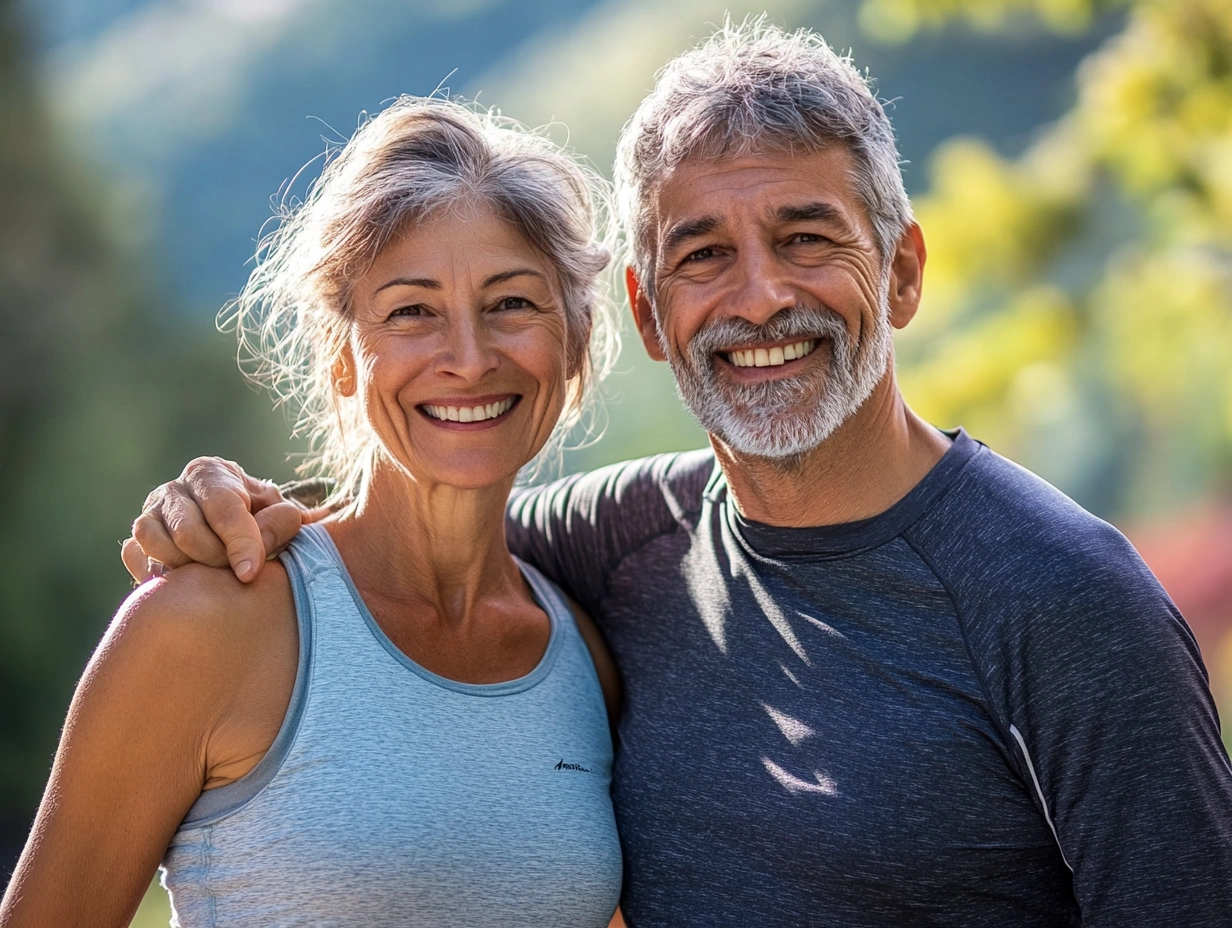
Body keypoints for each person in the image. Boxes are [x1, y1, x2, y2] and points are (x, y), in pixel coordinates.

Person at [119, 20, 1232, 928]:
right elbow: (421, 534)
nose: (756, 298)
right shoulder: (618, 539)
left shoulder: (1065, 600)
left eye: (807, 238)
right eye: (703, 254)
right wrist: (223, 511)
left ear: (898, 272)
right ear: (647, 314)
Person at [0, 97, 627, 928]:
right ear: (340, 357)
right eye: (411, 311)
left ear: (575, 339)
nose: (470, 359)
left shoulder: (586, 657)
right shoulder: (207, 622)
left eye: (512, 303)